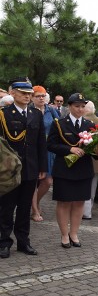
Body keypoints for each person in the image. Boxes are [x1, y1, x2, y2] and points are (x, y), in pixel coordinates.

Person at [47, 93, 98, 249]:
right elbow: (50, 145)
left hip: (83, 170)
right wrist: (69, 149)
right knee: (64, 202)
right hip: (64, 169)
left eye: (82, 106)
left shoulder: (89, 125)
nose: (80, 109)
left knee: (79, 203)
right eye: (77, 106)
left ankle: (74, 233)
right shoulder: (59, 123)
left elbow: (94, 149)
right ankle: (64, 235)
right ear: (70, 107)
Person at [0, 78, 47, 258]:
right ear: (13, 93)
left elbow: (40, 142)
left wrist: (42, 166)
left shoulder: (36, 114)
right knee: (6, 206)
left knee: (25, 206)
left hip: (30, 167)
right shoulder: (4, 113)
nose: (27, 97)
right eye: (23, 93)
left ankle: (23, 241)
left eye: (29, 94)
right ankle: (4, 242)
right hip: (10, 169)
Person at [30, 86, 60, 222]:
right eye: (38, 96)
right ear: (32, 97)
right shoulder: (29, 111)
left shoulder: (51, 111)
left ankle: (36, 203)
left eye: (43, 96)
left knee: (47, 181)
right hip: (32, 150)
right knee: (32, 182)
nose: (41, 98)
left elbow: (59, 127)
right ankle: (35, 210)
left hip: (48, 151)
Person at [82, 101, 98, 220]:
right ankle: (88, 211)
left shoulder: (82, 121)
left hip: (82, 158)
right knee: (92, 187)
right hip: (97, 159)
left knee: (81, 185)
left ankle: (80, 211)